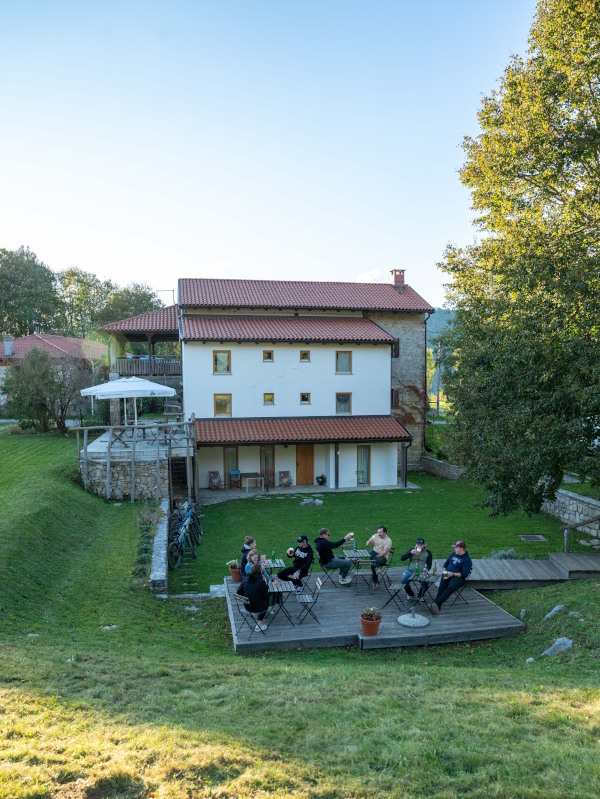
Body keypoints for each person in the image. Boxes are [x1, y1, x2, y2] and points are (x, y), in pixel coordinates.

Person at [431, 540, 472, 615]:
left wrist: (452, 574)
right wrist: (444, 570)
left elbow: (464, 574)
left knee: (450, 587)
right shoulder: (453, 554)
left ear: (462, 549)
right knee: (441, 587)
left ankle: (436, 603)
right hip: (447, 573)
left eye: (456, 548)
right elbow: (446, 563)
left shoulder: (467, 560)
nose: (454, 549)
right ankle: (437, 606)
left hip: (458, 578)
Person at [400, 537, 433, 602]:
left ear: (424, 545)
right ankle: (410, 594)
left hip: (422, 571)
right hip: (411, 570)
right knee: (403, 580)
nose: (419, 547)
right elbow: (402, 558)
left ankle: (420, 595)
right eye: (418, 545)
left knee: (426, 582)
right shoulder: (412, 550)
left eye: (421, 545)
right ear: (416, 545)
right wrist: (410, 553)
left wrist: (426, 570)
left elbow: (429, 564)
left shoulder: (428, 552)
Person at [243, 562, 270, 631]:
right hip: (256, 608)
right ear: (260, 571)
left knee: (259, 599)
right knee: (267, 601)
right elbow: (266, 595)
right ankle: (259, 625)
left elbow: (239, 591)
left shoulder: (246, 579)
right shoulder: (261, 581)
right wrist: (266, 586)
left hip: (247, 606)